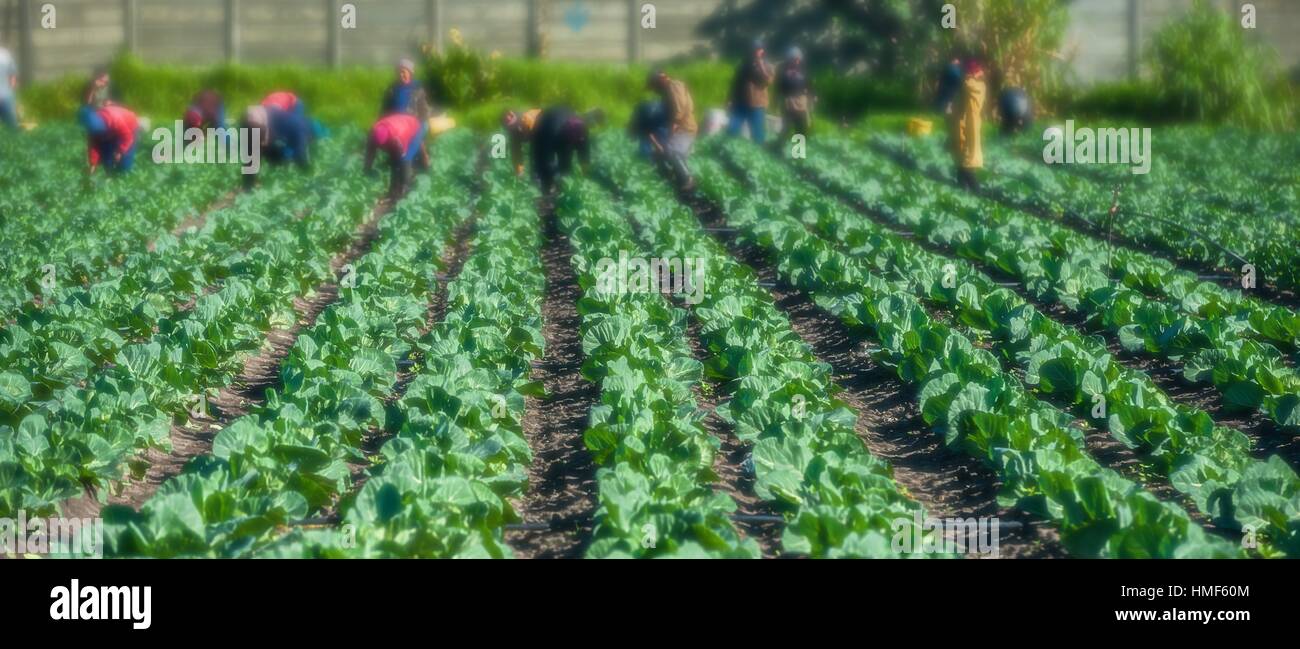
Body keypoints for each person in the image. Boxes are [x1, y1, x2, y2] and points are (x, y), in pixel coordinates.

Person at [240, 103, 312, 190]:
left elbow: (299, 151)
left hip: (253, 114)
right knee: (258, 150)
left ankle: (249, 183)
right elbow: (301, 153)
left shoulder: (294, 123)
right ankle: (249, 185)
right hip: (261, 121)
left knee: (254, 150)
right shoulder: (301, 129)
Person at [647, 69, 697, 192]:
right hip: (681, 126)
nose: (655, 90)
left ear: (660, 81)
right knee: (673, 153)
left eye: (655, 86)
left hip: (684, 127)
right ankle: (680, 180)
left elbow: (680, 107)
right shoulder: (669, 89)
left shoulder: (674, 86)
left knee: (673, 152)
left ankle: (687, 179)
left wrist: (675, 123)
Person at [364, 112, 429, 199]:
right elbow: (370, 152)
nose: (383, 148)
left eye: (384, 146)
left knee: (405, 159)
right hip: (399, 124)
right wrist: (367, 168)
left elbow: (403, 161)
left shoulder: (399, 138)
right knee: (394, 161)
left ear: (389, 140)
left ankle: (406, 188)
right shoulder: (374, 132)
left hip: (414, 127)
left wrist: (403, 184)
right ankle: (393, 192)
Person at [727, 40, 773, 144]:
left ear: (762, 51)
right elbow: (735, 82)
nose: (755, 52)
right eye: (753, 50)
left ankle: (758, 154)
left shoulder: (767, 65)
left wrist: (760, 65)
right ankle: (730, 151)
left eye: (758, 50)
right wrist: (730, 99)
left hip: (757, 104)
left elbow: (768, 80)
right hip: (740, 103)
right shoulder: (743, 64)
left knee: (757, 135)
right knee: (732, 131)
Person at [951, 59, 986, 190]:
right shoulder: (973, 82)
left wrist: (956, 68)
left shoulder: (978, 85)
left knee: (969, 156)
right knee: (961, 152)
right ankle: (961, 184)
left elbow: (965, 83)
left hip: (972, 122)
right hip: (964, 121)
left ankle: (975, 188)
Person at [78, 103, 138, 175]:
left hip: (130, 126)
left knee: (125, 159)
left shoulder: (115, 120)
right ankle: (109, 171)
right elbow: (94, 146)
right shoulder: (93, 128)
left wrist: (120, 152)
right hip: (114, 128)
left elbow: (128, 137)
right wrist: (93, 165)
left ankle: (124, 173)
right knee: (107, 155)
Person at [380, 58, 431, 122]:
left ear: (410, 73)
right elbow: (385, 109)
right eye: (399, 72)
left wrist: (420, 121)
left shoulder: (417, 88)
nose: (401, 75)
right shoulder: (393, 89)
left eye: (403, 72)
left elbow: (424, 110)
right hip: (396, 121)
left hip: (413, 122)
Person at [776, 46, 812, 137]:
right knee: (786, 128)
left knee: (801, 128)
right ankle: (777, 147)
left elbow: (808, 84)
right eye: (794, 59)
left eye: (798, 59)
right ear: (789, 59)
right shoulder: (783, 70)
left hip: (801, 102)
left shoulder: (802, 71)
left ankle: (798, 151)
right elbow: (780, 87)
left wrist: (812, 95)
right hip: (788, 102)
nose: (797, 61)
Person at [502, 107, 542, 178]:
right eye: (505, 118)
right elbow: (516, 152)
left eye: (508, 114)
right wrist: (519, 171)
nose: (508, 118)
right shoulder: (513, 131)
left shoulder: (528, 118)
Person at [0, 45, 17, 129]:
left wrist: (11, 90)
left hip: (5, 96)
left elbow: (12, 74)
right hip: (6, 95)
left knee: (11, 126)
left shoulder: (5, 54)